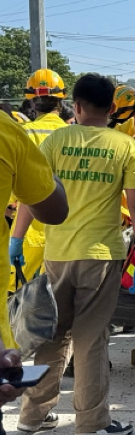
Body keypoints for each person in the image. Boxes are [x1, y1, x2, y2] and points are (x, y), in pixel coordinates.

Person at [15, 74, 135, 435]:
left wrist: (16, 238)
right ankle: (91, 422)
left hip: (57, 252)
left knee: (51, 335)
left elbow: (34, 192)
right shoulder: (123, 144)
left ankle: (32, 415)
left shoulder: (57, 140)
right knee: (91, 337)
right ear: (111, 108)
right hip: (102, 254)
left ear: (74, 106)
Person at [1, 111, 68, 351]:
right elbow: (52, 207)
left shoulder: (24, 130)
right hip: (61, 237)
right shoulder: (7, 131)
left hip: (26, 234)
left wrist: (16, 236)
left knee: (19, 296)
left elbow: (13, 202)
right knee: (49, 305)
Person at [9, 70, 70, 285]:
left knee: (13, 292)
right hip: (66, 227)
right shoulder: (76, 134)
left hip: (28, 227)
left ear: (32, 103)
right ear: (61, 101)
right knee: (55, 295)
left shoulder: (22, 133)